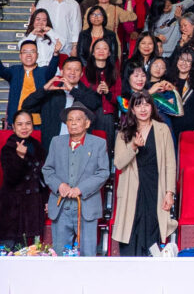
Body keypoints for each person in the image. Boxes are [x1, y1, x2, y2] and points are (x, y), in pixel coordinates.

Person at [110, 95, 177, 257]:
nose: (143, 109)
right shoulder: (124, 132)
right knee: (130, 229)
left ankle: (152, 268)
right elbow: (118, 163)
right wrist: (133, 146)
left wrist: (169, 193)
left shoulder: (162, 129)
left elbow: (170, 163)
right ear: (132, 109)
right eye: (138, 105)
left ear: (152, 108)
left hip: (156, 186)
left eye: (147, 105)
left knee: (153, 228)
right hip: (131, 188)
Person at [43, 102, 111, 254]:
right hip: (61, 207)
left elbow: (103, 172)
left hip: (86, 207)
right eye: (70, 119)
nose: (73, 123)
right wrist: (59, 185)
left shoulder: (98, 144)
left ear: (87, 123)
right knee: (60, 254)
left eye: (78, 119)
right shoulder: (56, 142)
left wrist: (81, 189)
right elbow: (47, 169)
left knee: (87, 256)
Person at [0, 108, 50, 252]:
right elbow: (11, 178)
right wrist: (20, 157)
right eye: (20, 124)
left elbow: (43, 177)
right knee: (10, 249)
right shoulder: (8, 148)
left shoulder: (38, 147)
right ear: (13, 127)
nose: (24, 127)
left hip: (33, 205)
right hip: (12, 206)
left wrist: (46, 200)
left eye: (28, 123)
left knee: (31, 250)